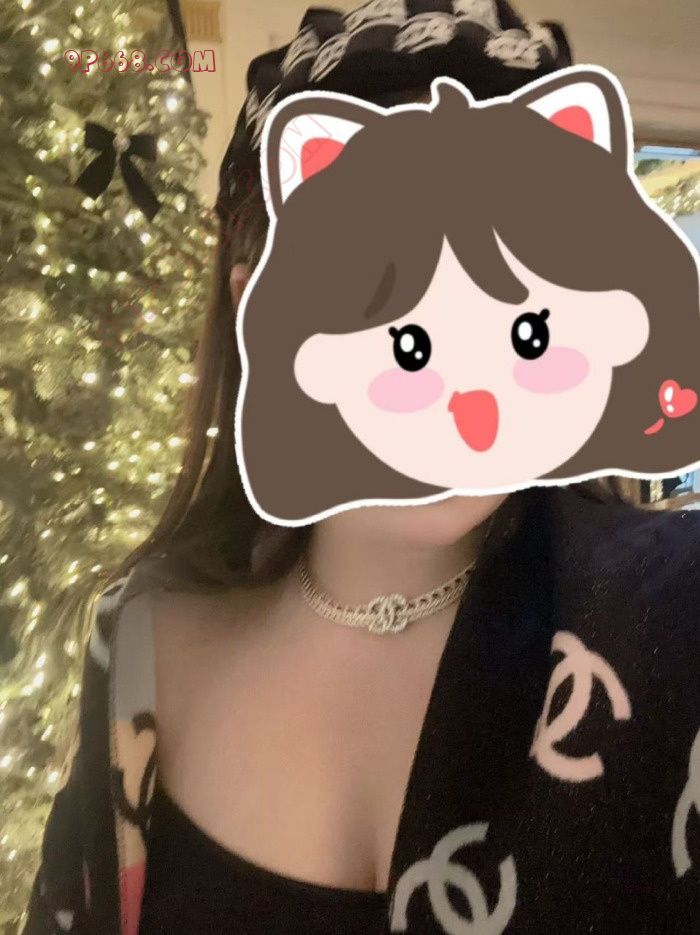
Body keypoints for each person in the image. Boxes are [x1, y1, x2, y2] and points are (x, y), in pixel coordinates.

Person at [24, 3, 700, 934]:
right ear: (253, 295)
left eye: (522, 323)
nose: (470, 401)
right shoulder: (139, 648)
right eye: (409, 333)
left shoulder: (669, 614)